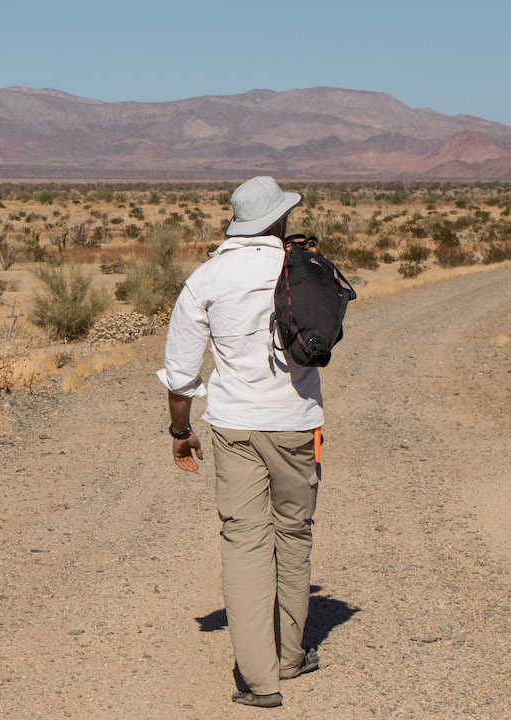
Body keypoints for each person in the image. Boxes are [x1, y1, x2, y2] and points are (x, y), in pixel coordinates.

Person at [158, 176, 323, 708]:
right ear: (279, 220)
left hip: (235, 429)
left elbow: (181, 374)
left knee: (246, 543)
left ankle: (260, 680)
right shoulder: (301, 267)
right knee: (293, 534)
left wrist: (181, 432)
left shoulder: (207, 277)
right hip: (298, 424)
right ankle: (292, 654)